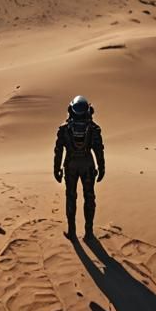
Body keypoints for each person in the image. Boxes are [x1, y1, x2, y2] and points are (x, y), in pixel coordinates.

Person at [53, 94, 105, 239]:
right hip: (87, 164)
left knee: (71, 197)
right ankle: (88, 233)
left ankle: (72, 232)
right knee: (89, 197)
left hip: (71, 165)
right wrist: (102, 167)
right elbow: (99, 150)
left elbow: (58, 151)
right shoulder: (94, 128)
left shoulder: (63, 129)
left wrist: (56, 169)